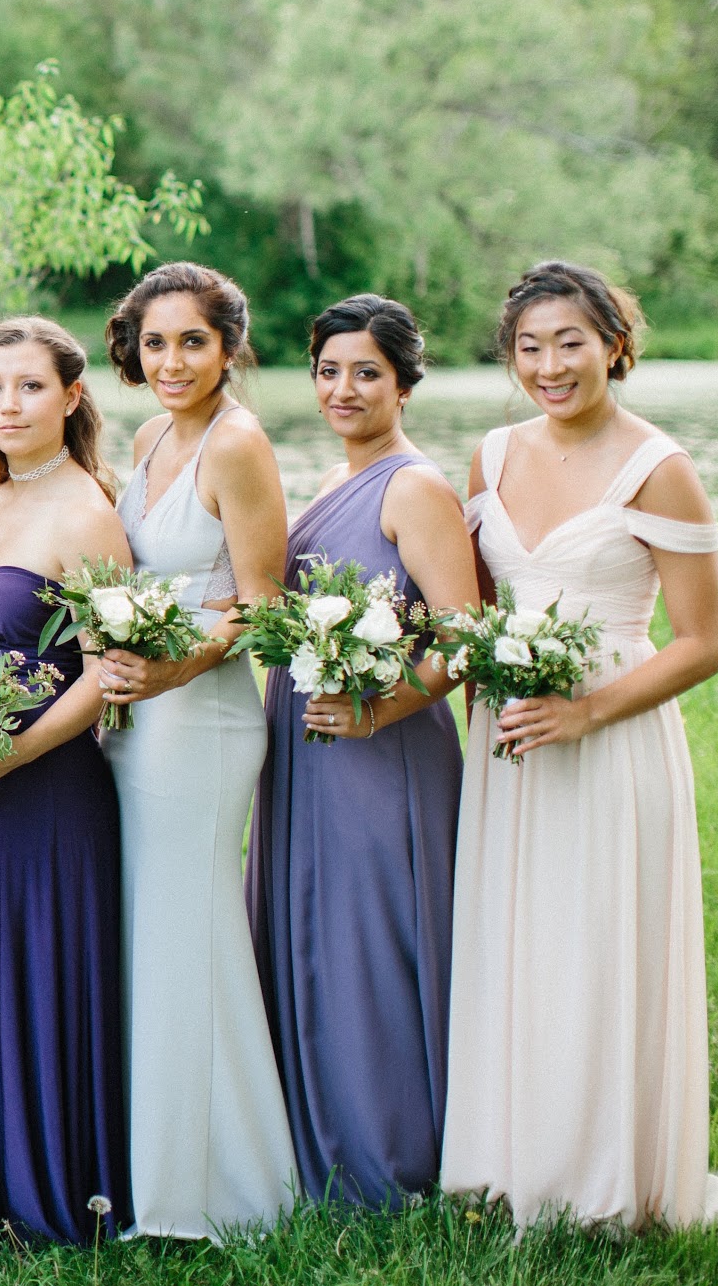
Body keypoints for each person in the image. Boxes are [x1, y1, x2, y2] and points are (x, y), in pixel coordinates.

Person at [442, 260, 718, 1230]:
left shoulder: (661, 467)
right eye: (529, 346)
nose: (550, 365)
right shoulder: (489, 455)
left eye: (570, 342)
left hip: (612, 736)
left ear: (615, 341)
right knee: (515, 940)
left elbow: (702, 643)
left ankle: (606, 1180)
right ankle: (508, 1157)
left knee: (597, 946)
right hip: (509, 737)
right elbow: (474, 609)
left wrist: (586, 711)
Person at [244, 295, 476, 1209]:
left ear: (404, 384)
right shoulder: (335, 478)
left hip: (383, 755)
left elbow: (461, 635)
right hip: (309, 750)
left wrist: (380, 714)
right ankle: (320, 1145)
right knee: (313, 938)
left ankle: (391, 1157)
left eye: (366, 373)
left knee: (373, 947)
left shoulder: (412, 487)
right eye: (328, 371)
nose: (342, 389)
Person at [99, 262, 298, 1240]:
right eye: (155, 341)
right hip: (133, 722)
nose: (171, 360)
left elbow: (263, 604)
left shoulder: (240, 444)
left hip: (205, 718)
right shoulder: (146, 436)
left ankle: (224, 1182)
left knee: (193, 929)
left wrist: (174, 671)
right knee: (148, 933)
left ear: (230, 347)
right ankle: (151, 1161)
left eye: (193, 340)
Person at [0, 317, 132, 1245]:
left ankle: (56, 1191)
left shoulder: (86, 511)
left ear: (72, 397)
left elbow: (109, 672)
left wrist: (9, 754)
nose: (6, 405)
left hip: (46, 784)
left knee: (44, 974)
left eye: (29, 387)